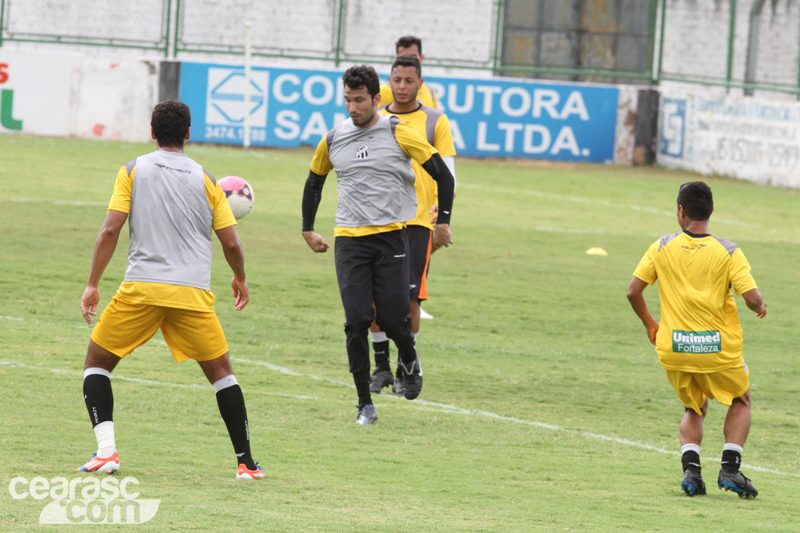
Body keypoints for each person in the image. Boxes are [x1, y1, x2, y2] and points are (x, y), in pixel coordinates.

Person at [78, 100, 264, 479]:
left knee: (97, 364)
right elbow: (231, 244)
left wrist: (93, 283)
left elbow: (110, 230)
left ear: (151, 131)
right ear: (188, 133)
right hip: (192, 295)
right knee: (223, 375)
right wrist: (240, 277)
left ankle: (107, 453)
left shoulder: (132, 170)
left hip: (141, 290)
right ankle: (245, 462)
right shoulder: (207, 180)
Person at [301, 65, 455, 425]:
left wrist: (443, 218)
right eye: (347, 101)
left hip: (391, 237)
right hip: (349, 240)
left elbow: (442, 175)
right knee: (356, 320)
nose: (353, 108)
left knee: (392, 318)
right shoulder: (333, 138)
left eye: (359, 100)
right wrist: (308, 229)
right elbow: (314, 182)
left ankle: (408, 357)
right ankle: (364, 404)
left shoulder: (398, 131)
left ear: (375, 99)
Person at [627, 181, 766, 498]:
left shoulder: (661, 246)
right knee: (741, 399)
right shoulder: (728, 251)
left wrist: (651, 325)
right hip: (717, 349)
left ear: (680, 211)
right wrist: (761, 306)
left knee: (694, 406)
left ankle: (691, 471)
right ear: (712, 210)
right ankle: (730, 468)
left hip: (674, 348)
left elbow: (633, 291)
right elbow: (751, 297)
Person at [369, 55, 457, 396]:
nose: (402, 86)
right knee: (375, 299)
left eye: (409, 80)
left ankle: (407, 364)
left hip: (418, 222)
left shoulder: (435, 120)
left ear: (420, 84)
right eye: (396, 80)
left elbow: (447, 172)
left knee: (410, 301)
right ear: (387, 83)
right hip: (377, 219)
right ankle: (381, 369)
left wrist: (444, 217)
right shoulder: (374, 119)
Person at [379, 36, 439, 109]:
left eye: (413, 56)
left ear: (421, 58)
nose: (408, 60)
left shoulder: (430, 91)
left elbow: (434, 118)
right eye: (402, 57)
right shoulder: (383, 92)